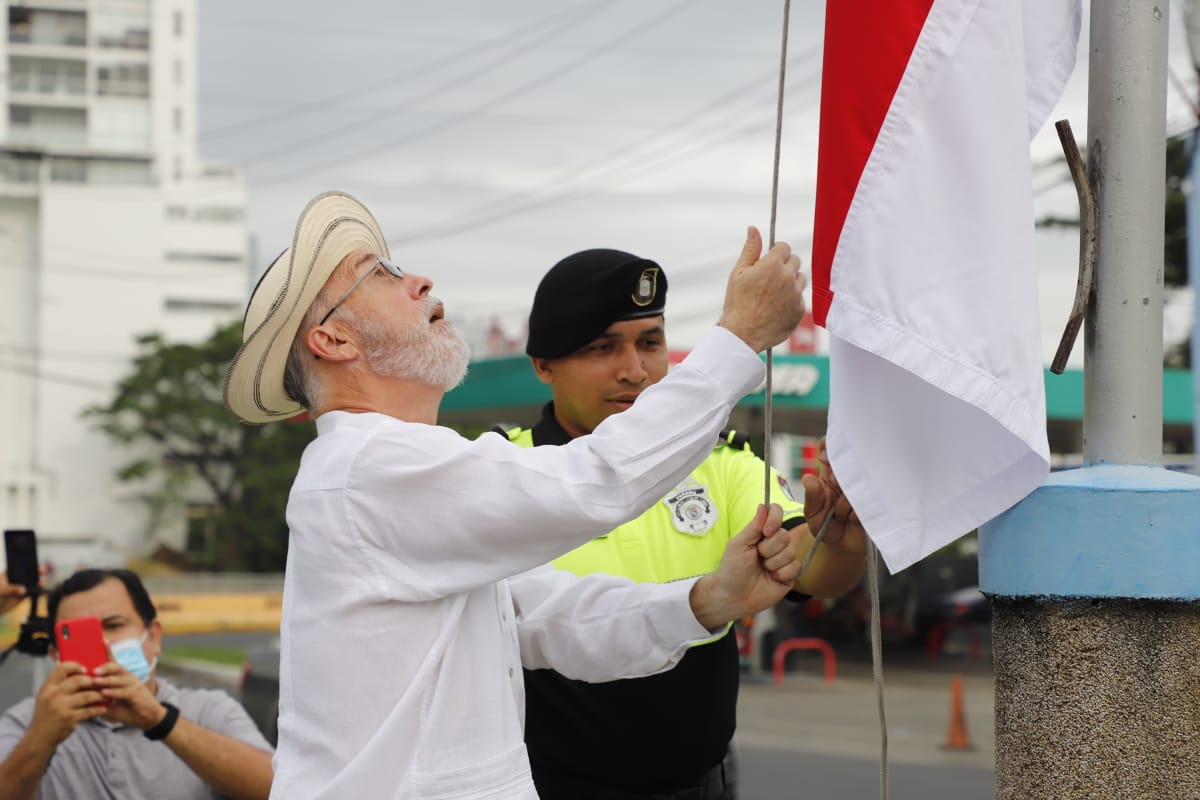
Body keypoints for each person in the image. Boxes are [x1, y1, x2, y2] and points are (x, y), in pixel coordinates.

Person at [220, 191, 808, 799]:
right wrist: (737, 340)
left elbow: (537, 614)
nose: (418, 280)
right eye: (379, 274)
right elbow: (597, 480)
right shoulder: (371, 467)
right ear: (335, 341)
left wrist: (707, 601)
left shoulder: (381, 470)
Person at [504, 247, 869, 800]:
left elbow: (806, 563)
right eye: (603, 348)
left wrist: (838, 539)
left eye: (650, 343)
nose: (635, 370)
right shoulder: (504, 473)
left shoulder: (720, 464)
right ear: (543, 365)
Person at [0, 568, 274, 799]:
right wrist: (40, 739)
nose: (103, 644)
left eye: (114, 625)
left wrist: (160, 721)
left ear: (154, 637)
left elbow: (279, 788)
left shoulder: (209, 711)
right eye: (82, 635)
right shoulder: (29, 722)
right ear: (56, 655)